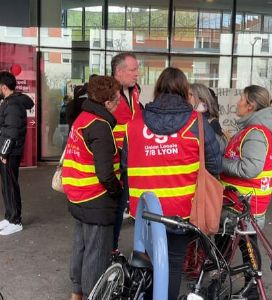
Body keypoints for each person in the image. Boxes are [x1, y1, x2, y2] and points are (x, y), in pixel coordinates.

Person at [124, 67, 222, 300]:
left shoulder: (135, 123)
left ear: (157, 89)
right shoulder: (195, 123)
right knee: (173, 262)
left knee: (148, 260)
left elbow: (125, 164)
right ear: (184, 91)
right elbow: (215, 164)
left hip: (145, 211)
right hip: (181, 212)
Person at [61, 76, 123, 300]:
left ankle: (77, 292)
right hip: (96, 197)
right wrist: (116, 191)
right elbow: (105, 173)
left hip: (77, 193)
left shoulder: (83, 118)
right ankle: (92, 294)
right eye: (117, 100)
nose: (119, 104)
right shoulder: (101, 126)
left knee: (81, 246)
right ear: (107, 103)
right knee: (96, 253)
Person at [220, 85, 272, 298]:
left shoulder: (256, 133)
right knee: (238, 246)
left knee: (247, 248)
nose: (238, 102)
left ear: (251, 105)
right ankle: (244, 284)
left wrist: (220, 163)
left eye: (241, 98)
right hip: (240, 203)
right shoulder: (253, 130)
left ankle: (254, 289)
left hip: (246, 204)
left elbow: (250, 168)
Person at [111, 52, 143, 253]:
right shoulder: (107, 93)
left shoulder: (135, 91)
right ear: (119, 72)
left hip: (132, 160)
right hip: (112, 161)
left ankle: (113, 249)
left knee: (126, 205)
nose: (137, 74)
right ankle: (110, 250)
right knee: (113, 210)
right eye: (133, 70)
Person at [0, 71, 34, 236]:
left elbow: (12, 133)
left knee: (11, 186)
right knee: (6, 185)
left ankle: (15, 221)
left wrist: (4, 153)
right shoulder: (8, 102)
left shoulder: (12, 105)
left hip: (10, 152)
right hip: (8, 151)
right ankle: (9, 216)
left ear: (4, 87)